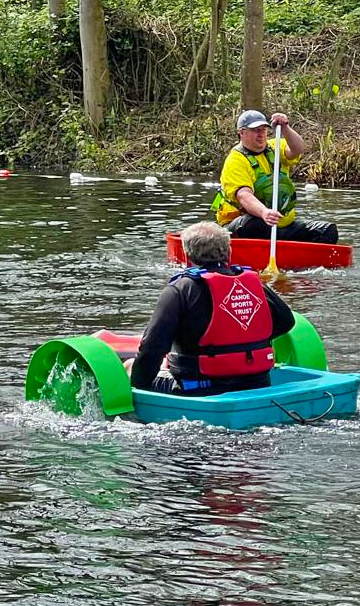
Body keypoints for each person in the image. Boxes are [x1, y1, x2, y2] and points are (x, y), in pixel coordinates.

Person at [127, 222, 295, 396]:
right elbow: (286, 321)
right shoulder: (255, 284)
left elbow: (152, 348)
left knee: (129, 366)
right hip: (256, 383)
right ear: (229, 252)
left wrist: (139, 390)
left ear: (187, 256)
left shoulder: (181, 289)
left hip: (200, 388)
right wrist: (244, 341)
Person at [212, 109, 338, 244]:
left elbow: (297, 149)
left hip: (281, 225)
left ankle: (302, 258)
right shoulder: (235, 160)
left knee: (327, 231)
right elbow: (244, 196)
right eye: (255, 130)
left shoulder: (274, 146)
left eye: (263, 130)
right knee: (257, 224)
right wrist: (264, 213)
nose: (261, 135)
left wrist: (285, 127)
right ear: (241, 133)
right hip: (243, 224)